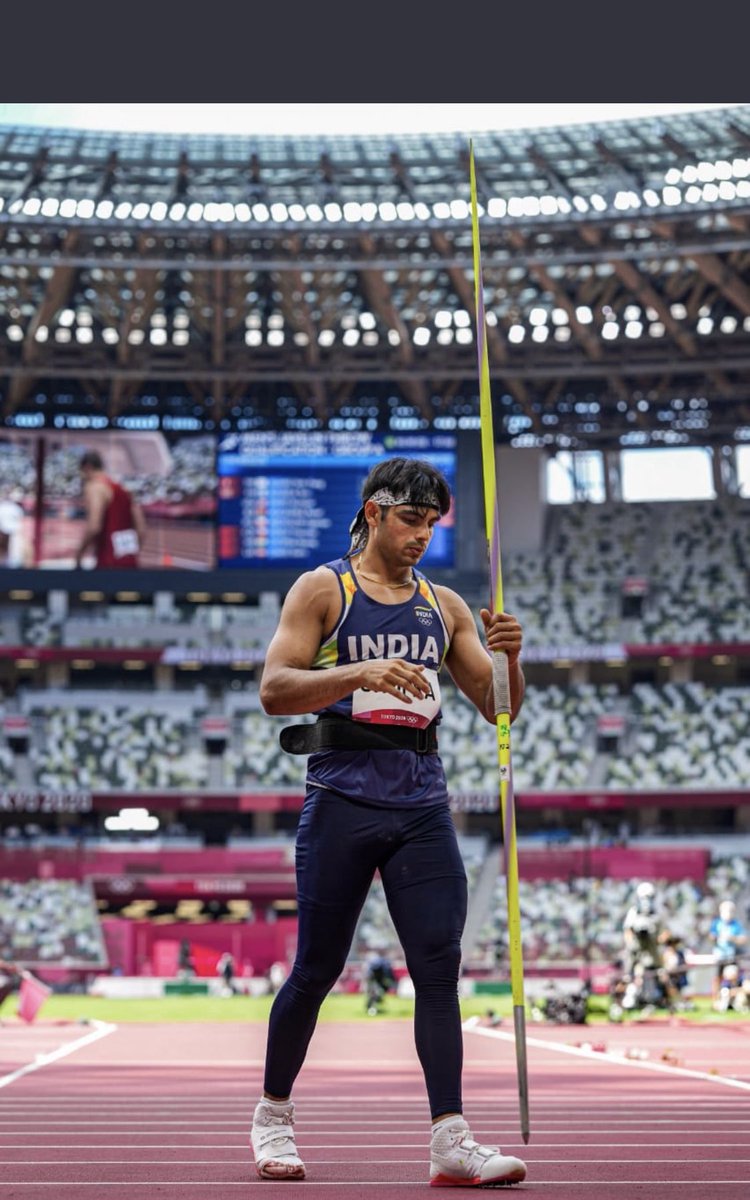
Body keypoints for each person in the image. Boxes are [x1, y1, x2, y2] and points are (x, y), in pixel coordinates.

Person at [250, 456, 527, 1187]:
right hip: (341, 800)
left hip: (421, 808)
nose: (422, 537)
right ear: (373, 512)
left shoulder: (445, 606)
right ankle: (273, 1118)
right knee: (316, 968)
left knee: (438, 971)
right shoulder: (323, 589)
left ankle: (451, 1139)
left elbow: (498, 707)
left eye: (432, 523)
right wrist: (356, 674)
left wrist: (513, 660)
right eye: (411, 519)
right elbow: (275, 690)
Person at [75, 450, 146, 568]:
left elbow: (94, 526)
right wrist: (129, 554)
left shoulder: (95, 487)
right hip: (129, 562)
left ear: (87, 467)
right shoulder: (124, 490)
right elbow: (141, 529)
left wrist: (79, 555)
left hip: (107, 561)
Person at [710, 899, 747, 1002]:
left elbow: (743, 938)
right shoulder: (717, 923)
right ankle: (715, 1000)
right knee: (718, 977)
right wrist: (716, 937)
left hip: (732, 955)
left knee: (734, 976)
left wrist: (732, 938)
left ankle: (734, 999)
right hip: (720, 955)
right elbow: (711, 936)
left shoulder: (736, 924)